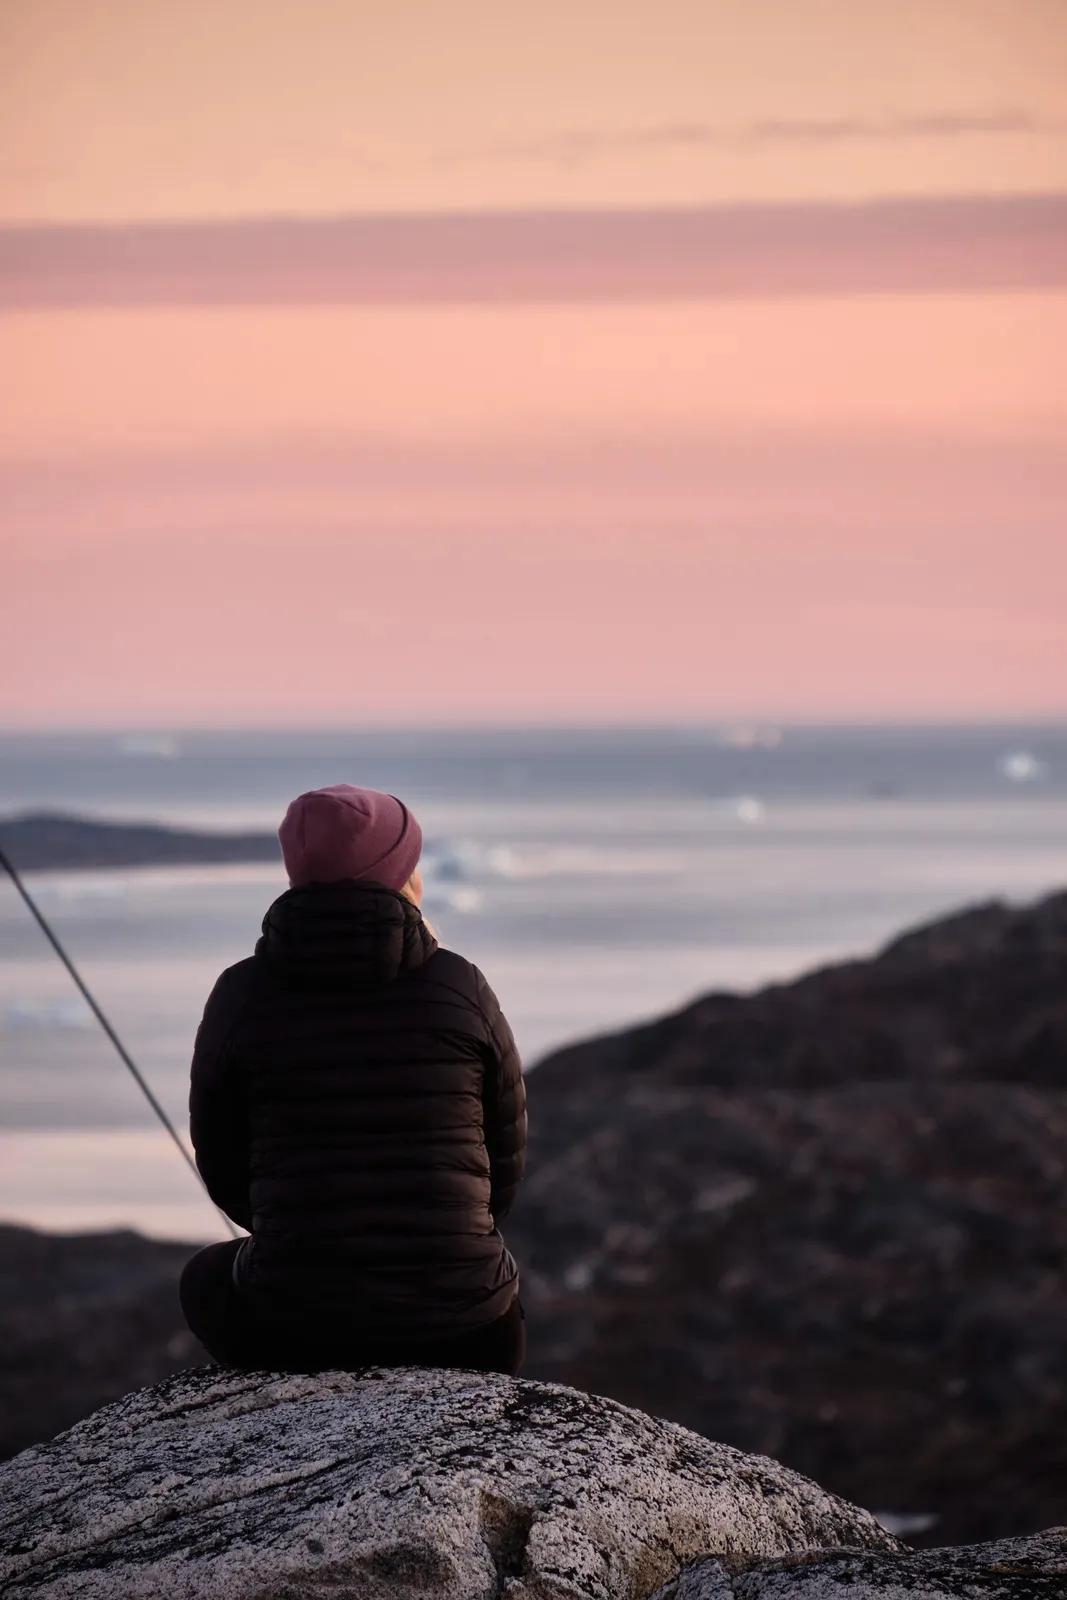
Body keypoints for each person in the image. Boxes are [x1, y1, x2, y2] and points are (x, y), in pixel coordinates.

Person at [178, 783, 527, 1375]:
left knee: (203, 1279)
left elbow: (221, 1161)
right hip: (467, 1330)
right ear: (401, 873)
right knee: (494, 1281)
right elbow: (505, 1159)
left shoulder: (241, 994)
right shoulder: (460, 986)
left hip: (297, 1328)